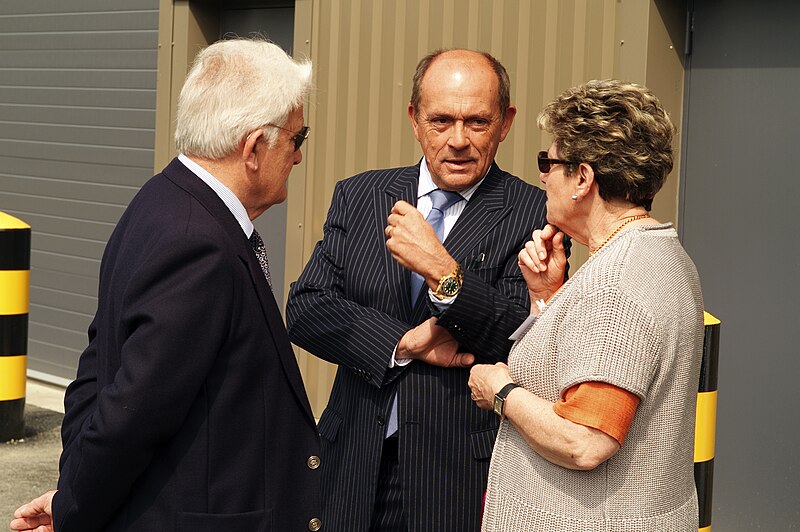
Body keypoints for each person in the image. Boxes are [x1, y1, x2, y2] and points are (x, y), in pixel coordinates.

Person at [10, 39, 322, 532]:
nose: (299, 157)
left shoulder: (161, 198)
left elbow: (97, 371)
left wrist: (73, 491)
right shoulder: (201, 244)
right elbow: (131, 412)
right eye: (297, 138)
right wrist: (74, 510)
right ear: (254, 147)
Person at [286, 49, 559, 531]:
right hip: (352, 464)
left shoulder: (535, 213)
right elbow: (307, 309)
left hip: (454, 479)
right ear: (414, 119)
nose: (459, 140)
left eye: (477, 122)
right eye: (441, 120)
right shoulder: (360, 195)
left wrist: (442, 271)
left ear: (505, 122)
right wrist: (401, 343)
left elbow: (524, 336)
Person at [468, 79, 704, 531]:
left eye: (549, 162)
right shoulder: (659, 252)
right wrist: (547, 297)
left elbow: (585, 440)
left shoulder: (616, 284)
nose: (542, 176)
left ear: (582, 178)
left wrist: (500, 391)